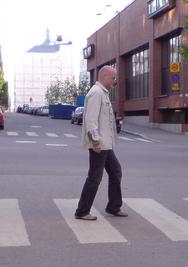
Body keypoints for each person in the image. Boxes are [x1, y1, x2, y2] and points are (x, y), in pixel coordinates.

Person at [75, 66, 128, 221]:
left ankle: (114, 206)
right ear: (104, 76)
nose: (115, 81)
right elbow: (91, 120)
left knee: (115, 171)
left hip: (106, 144)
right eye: (113, 78)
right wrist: (95, 142)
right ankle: (82, 211)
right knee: (94, 177)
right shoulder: (96, 93)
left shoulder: (102, 93)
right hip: (99, 144)